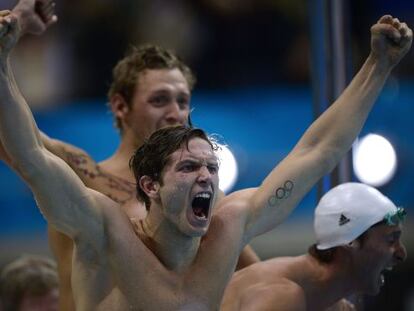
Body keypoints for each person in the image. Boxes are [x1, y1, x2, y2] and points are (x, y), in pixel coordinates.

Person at [0, 9, 412, 310]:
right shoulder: (103, 220)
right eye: (189, 167)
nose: (206, 177)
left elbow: (317, 151)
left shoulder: (223, 227)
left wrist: (378, 66)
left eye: (211, 168)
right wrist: (2, 64)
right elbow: (30, 153)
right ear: (150, 185)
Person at [0, 1, 259, 309]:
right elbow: (18, 138)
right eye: (160, 100)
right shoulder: (79, 173)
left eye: (182, 100)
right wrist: (12, 35)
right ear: (121, 106)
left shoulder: (197, 195)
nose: (176, 113)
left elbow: (254, 275)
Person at [221, 183, 407, 311]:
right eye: (391, 240)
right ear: (350, 242)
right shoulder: (281, 296)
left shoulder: (318, 297)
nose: (401, 254)